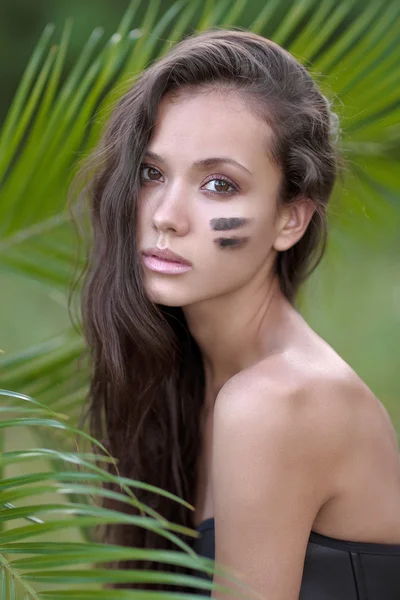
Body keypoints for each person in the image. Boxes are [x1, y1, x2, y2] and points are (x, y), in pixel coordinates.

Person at [73, 27, 400, 599]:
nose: (167, 216)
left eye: (219, 184)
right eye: (152, 173)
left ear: (289, 220)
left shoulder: (278, 402)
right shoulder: (186, 379)